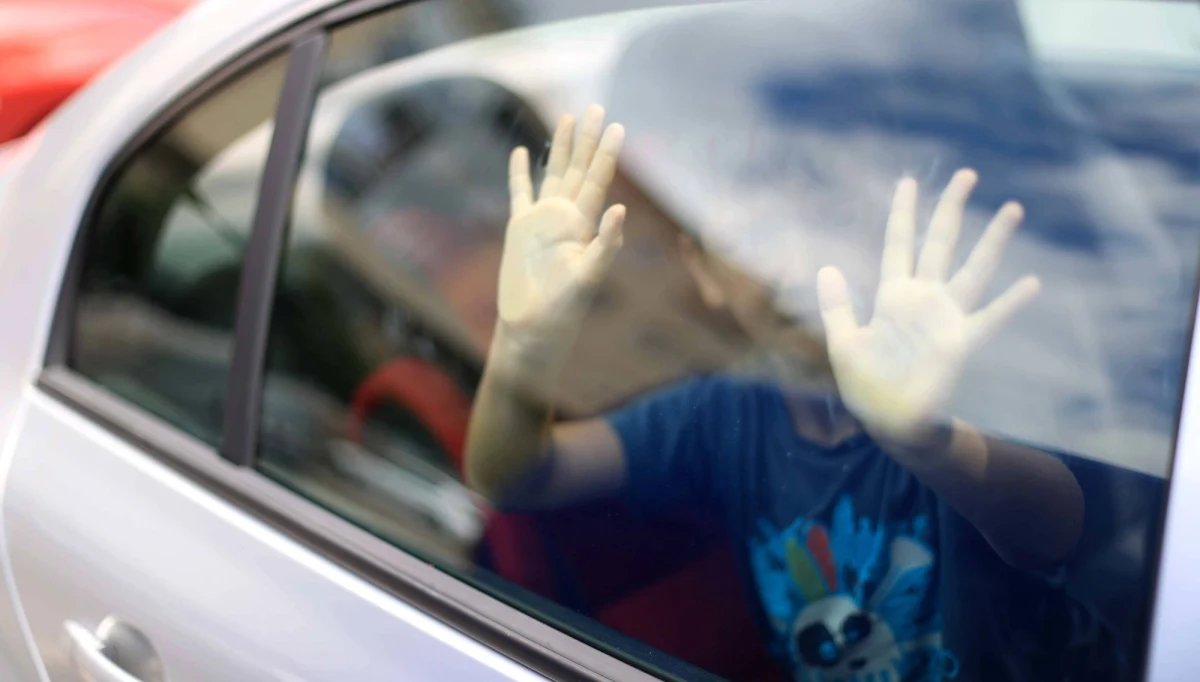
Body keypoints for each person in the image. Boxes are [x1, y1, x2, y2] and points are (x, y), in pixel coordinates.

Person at [465, 105, 1092, 682]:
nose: (789, 267)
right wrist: (524, 346)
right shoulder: (722, 415)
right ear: (705, 272)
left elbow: (1055, 528)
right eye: (752, 241)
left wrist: (925, 440)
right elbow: (519, 477)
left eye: (812, 226)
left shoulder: (945, 371)